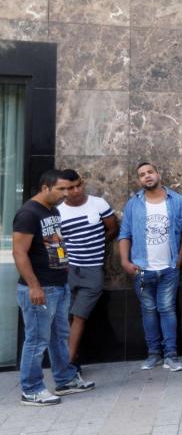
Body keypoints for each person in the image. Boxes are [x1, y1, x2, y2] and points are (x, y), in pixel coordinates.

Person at [13, 169, 95, 406]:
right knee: (37, 340)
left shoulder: (53, 210)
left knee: (60, 336)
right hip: (40, 288)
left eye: (69, 189)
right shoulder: (28, 213)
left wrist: (63, 266)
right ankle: (31, 389)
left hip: (59, 284)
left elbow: (53, 242)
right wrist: (34, 286)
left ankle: (65, 380)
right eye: (61, 189)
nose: (66, 194)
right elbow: (19, 252)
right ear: (45, 188)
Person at [119, 162, 182, 372]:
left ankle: (171, 355)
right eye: (142, 174)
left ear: (158, 174)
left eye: (150, 172)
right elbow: (124, 234)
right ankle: (154, 355)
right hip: (142, 270)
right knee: (148, 311)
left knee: (167, 309)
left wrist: (180, 257)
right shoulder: (133, 204)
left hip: (169, 268)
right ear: (139, 180)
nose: (147, 176)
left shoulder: (176, 200)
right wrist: (125, 261)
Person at [58, 169, 119, 370]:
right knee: (67, 316)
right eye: (69, 188)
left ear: (82, 183)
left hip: (93, 270)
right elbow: (56, 244)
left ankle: (68, 365)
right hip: (68, 270)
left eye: (78, 185)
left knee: (79, 316)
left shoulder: (98, 204)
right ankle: (71, 362)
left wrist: (98, 246)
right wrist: (63, 264)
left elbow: (112, 229)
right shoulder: (58, 212)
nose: (75, 191)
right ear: (62, 189)